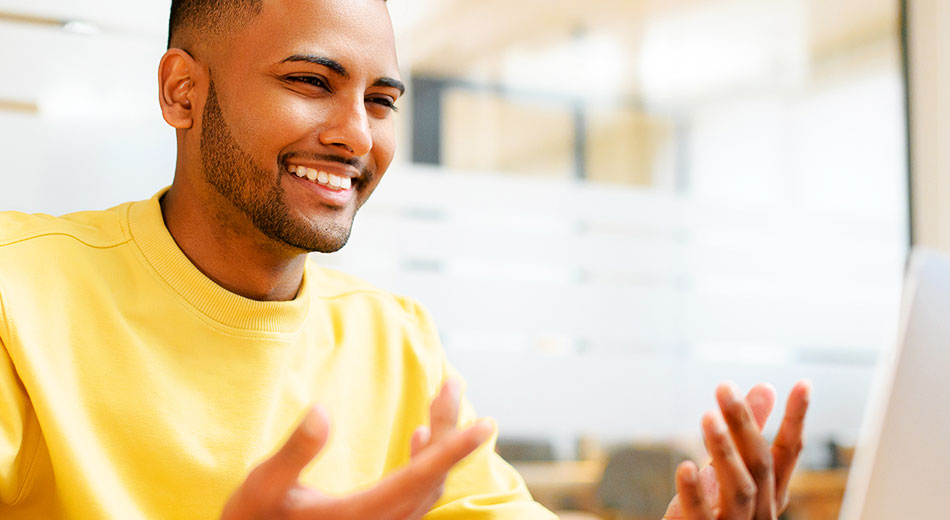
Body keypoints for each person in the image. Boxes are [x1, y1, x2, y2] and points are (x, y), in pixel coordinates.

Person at [0, 0, 811, 518]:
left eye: (381, 100)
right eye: (310, 81)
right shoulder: (19, 289)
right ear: (183, 92)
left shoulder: (394, 338)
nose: (358, 134)